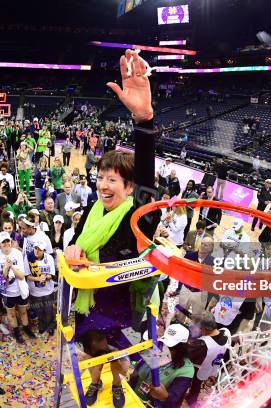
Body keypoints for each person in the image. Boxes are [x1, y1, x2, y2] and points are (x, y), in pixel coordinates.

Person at [64, 49, 160, 407]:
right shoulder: (93, 210)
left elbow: (149, 183)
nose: (103, 185)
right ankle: (95, 382)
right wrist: (73, 250)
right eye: (100, 177)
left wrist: (144, 120)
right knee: (91, 350)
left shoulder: (141, 215)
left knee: (117, 355)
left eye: (113, 180)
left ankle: (118, 385)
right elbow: (75, 243)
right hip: (90, 302)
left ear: (130, 187)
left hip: (123, 306)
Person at [131, 324, 195, 407]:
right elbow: (138, 369)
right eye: (164, 343)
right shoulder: (157, 349)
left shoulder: (187, 370)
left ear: (182, 348)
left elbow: (175, 399)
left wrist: (164, 397)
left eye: (172, 347)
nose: (165, 348)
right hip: (133, 397)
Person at [0, 231, 34, 343]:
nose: (6, 244)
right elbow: (0, 280)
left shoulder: (17, 253)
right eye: (3, 242)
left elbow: (21, 276)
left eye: (7, 241)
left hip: (20, 290)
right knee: (11, 314)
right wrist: (5, 268)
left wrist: (11, 267)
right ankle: (16, 331)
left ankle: (26, 328)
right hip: (7, 292)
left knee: (23, 311)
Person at [185, 313, 231, 407]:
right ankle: (192, 398)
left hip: (201, 367)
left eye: (198, 328)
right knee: (198, 383)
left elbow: (189, 355)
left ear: (205, 329)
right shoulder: (225, 332)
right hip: (215, 364)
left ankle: (191, 401)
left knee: (195, 384)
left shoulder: (203, 344)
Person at [25, 238, 57, 335]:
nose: (37, 251)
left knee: (49, 310)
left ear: (44, 250)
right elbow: (26, 276)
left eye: (40, 249)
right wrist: (38, 279)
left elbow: (52, 275)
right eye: (35, 248)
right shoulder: (28, 258)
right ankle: (42, 326)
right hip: (35, 292)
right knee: (38, 311)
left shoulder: (49, 258)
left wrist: (46, 277)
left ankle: (50, 326)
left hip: (48, 290)